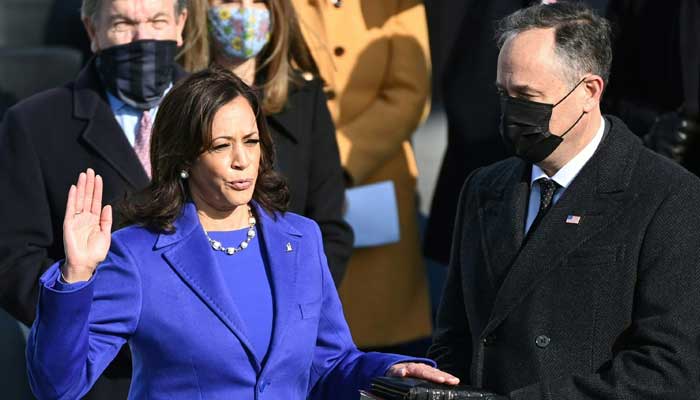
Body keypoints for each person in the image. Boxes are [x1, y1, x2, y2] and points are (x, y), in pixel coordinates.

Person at [25, 67, 459, 400]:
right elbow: (58, 387)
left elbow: (329, 365)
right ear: (184, 158)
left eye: (250, 141)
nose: (241, 160)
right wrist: (75, 277)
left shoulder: (301, 240)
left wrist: (390, 370)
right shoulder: (137, 254)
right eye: (220, 146)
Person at [428, 3, 700, 398]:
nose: (511, 112)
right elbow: (454, 339)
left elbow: (670, 369)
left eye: (528, 96)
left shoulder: (667, 196)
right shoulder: (483, 189)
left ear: (590, 91)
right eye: (504, 94)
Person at [0, 0, 188, 398]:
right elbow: (14, 260)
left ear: (181, 25)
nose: (142, 38)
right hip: (101, 376)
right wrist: (108, 323)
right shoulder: (34, 124)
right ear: (92, 30)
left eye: (156, 21)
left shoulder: (224, 113)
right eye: (123, 23)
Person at [291, 0, 433, 356]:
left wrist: (334, 157)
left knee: (385, 352)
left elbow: (411, 92)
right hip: (295, 178)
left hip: (377, 183)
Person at [178, 0, 352, 285]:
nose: (245, 10)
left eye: (258, 0)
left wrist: (305, 305)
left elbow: (331, 227)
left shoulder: (305, 98)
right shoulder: (178, 101)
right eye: (229, 0)